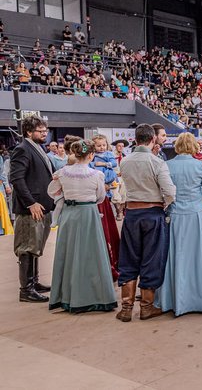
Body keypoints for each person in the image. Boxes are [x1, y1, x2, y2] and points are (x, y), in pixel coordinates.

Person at [156, 133, 202, 316]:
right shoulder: (200, 166)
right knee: (201, 256)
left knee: (178, 256)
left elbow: (163, 191)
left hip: (176, 216)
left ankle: (177, 299)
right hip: (197, 215)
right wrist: (195, 196)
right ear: (194, 147)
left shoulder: (167, 165)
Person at [47, 139, 116, 313]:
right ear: (91, 155)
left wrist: (66, 192)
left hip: (69, 214)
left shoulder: (62, 172)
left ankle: (66, 296)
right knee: (92, 254)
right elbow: (100, 197)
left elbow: (51, 191)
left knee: (68, 253)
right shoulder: (96, 175)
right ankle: (95, 296)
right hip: (89, 214)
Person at [116, 124, 176, 322]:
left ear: (135, 139)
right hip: (153, 213)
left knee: (129, 257)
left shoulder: (124, 161)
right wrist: (165, 204)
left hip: (132, 213)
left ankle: (126, 308)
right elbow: (170, 191)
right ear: (152, 140)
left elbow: (123, 189)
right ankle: (146, 307)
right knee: (152, 258)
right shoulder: (157, 162)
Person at [10, 116, 55, 302]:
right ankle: (26, 290)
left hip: (42, 207)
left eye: (46, 131)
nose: (45, 134)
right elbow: (17, 179)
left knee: (35, 246)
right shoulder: (22, 149)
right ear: (29, 132)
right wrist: (30, 202)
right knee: (27, 248)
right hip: (31, 209)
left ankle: (34, 282)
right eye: (40, 131)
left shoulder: (37, 148)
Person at [89, 134, 121, 281]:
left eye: (103, 145)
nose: (101, 147)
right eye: (99, 145)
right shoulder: (92, 157)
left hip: (107, 182)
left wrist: (103, 164)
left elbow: (113, 166)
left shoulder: (108, 155)